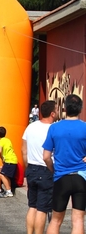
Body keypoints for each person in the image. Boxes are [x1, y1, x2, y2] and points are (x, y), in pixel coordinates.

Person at [43, 94, 86, 234]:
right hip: (81, 177)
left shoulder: (54, 128)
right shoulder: (85, 127)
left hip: (61, 177)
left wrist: (53, 170)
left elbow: (46, 157)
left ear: (64, 108)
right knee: (78, 219)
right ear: (80, 109)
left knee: (56, 220)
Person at [22, 100, 57, 234]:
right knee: (42, 209)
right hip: (46, 168)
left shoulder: (31, 126)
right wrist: (52, 170)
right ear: (52, 113)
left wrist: (27, 167)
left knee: (32, 206)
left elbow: (23, 150)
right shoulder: (53, 129)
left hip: (31, 167)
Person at [0, 126, 17, 198]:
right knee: (6, 175)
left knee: (2, 174)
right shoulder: (8, 140)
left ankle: (9, 191)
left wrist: (1, 157)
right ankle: (9, 189)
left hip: (8, 160)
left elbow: (0, 151)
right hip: (13, 159)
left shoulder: (0, 141)